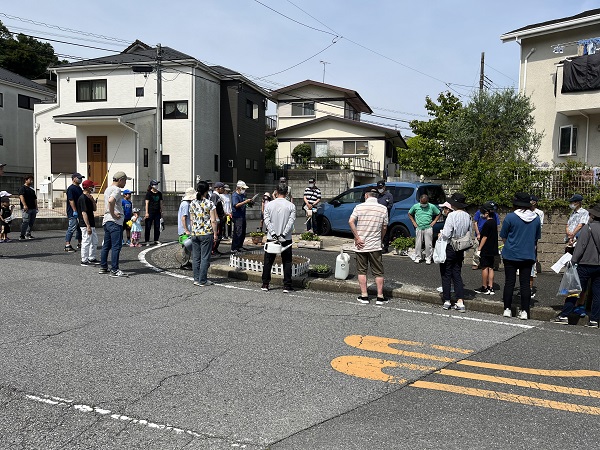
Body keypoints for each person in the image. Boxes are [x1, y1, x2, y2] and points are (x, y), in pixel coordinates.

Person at [554, 203, 600, 327]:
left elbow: (580, 247)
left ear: (592, 215)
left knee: (574, 289)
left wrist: (573, 261)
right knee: (598, 293)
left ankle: (564, 315)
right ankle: (594, 320)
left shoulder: (588, 228)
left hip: (585, 264)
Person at [500, 192, 542, 320]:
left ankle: (507, 309)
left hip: (511, 254)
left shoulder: (510, 217)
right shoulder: (536, 218)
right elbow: (536, 238)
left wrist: (509, 245)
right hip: (528, 255)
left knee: (509, 282)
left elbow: (503, 236)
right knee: (525, 284)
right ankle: (525, 311)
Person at [349, 187, 389, 305]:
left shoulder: (359, 207)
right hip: (375, 244)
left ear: (366, 195)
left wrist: (357, 237)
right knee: (378, 271)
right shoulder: (383, 209)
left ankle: (364, 296)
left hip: (361, 244)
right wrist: (380, 239)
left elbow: (351, 221)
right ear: (376, 196)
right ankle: (380, 297)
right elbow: (385, 227)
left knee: (362, 270)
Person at [438, 192, 471, 312]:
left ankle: (447, 300)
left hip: (450, 246)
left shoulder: (452, 216)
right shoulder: (467, 216)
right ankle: (460, 301)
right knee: (457, 273)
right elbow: (469, 231)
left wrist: (440, 234)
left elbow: (446, 234)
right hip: (461, 247)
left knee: (446, 273)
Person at [261, 183, 296, 293]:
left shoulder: (269, 205)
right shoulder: (291, 206)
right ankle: (287, 285)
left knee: (268, 260)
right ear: (287, 193)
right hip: (286, 238)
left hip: (272, 236)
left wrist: (273, 232)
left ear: (276, 192)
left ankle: (265, 284)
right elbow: (291, 222)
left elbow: (266, 220)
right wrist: (283, 234)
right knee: (287, 261)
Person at [99, 171, 131, 278]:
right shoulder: (117, 190)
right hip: (115, 221)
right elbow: (111, 201)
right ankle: (114, 269)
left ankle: (103, 267)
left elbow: (109, 200)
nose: (125, 183)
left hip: (107, 221)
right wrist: (113, 213)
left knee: (106, 245)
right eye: (125, 180)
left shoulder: (107, 189)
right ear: (121, 180)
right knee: (116, 246)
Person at [189, 181, 218, 286]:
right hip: (206, 233)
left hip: (195, 233)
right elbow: (213, 220)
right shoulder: (210, 203)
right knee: (205, 257)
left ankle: (196, 279)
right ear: (206, 191)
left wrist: (193, 230)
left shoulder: (192, 203)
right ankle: (203, 280)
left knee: (196, 257)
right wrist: (215, 234)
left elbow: (191, 219)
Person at [473, 202, 499, 295]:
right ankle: (491, 287)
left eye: (483, 212)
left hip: (486, 248)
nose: (482, 213)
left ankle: (484, 287)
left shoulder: (487, 224)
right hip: (493, 248)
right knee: (491, 267)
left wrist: (479, 249)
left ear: (487, 213)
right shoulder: (494, 222)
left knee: (484, 267)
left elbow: (484, 237)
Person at [408, 194, 441, 264]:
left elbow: (438, 213)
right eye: (422, 203)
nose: (423, 204)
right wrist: (413, 222)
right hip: (419, 227)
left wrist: (434, 221)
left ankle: (428, 258)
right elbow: (409, 213)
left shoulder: (431, 206)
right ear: (420, 200)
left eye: (425, 203)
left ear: (427, 201)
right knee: (418, 243)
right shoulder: (415, 206)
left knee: (428, 244)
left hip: (428, 227)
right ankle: (417, 257)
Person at [472, 201, 500, 269]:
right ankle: (476, 263)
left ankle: (488, 264)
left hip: (488, 235)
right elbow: (475, 223)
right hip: (480, 233)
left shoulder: (494, 214)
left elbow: (496, 225)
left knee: (486, 251)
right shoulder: (479, 212)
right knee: (477, 248)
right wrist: (478, 233)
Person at [77, 180, 99, 266]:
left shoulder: (89, 197)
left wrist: (93, 201)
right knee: (86, 241)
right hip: (85, 224)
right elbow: (83, 213)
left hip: (91, 223)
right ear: (89, 187)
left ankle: (91, 257)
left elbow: (94, 209)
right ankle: (84, 260)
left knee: (94, 241)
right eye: (92, 186)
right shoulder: (82, 198)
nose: (94, 188)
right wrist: (88, 226)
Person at [231, 180, 257, 253]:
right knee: (237, 231)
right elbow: (236, 205)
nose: (244, 190)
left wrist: (250, 202)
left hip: (242, 215)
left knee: (242, 231)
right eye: (243, 188)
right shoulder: (235, 195)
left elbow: (245, 204)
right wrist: (245, 202)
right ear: (239, 188)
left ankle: (240, 245)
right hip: (237, 216)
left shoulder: (243, 195)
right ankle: (234, 247)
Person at [65, 172, 84, 253]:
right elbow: (71, 200)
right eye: (79, 178)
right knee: (72, 227)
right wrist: (74, 210)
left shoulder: (79, 188)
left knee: (80, 228)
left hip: (79, 211)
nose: (81, 179)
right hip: (73, 211)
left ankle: (80, 243)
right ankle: (67, 245)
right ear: (74, 178)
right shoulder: (71, 188)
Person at [530, 195, 544, 299]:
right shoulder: (525, 212)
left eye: (532, 201)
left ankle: (529, 288)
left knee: (531, 263)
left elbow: (540, 226)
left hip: (533, 238)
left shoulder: (539, 213)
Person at [177, 187, 196, 269]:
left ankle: (186, 262)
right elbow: (183, 218)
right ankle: (184, 263)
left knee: (187, 247)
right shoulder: (186, 204)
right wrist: (186, 230)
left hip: (185, 229)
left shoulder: (185, 203)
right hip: (185, 230)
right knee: (186, 247)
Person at [18, 174, 37, 241]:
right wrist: (24, 205)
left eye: (32, 180)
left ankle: (28, 234)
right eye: (30, 179)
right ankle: (22, 235)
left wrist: (36, 206)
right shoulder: (22, 188)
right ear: (26, 180)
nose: (31, 181)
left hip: (33, 208)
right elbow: (21, 197)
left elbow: (35, 199)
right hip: (26, 208)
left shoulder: (32, 190)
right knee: (25, 221)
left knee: (31, 222)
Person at [144, 180, 163, 246]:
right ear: (152, 185)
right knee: (148, 226)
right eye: (155, 184)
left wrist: (161, 210)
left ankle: (156, 240)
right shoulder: (149, 193)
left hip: (157, 212)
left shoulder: (159, 193)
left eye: (157, 184)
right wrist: (146, 212)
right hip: (150, 212)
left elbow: (160, 202)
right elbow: (147, 203)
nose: (156, 186)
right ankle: (147, 240)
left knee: (157, 226)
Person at [376, 180, 394, 253]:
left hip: (385, 216)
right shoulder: (377, 195)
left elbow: (390, 205)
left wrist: (383, 209)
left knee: (385, 232)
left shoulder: (389, 195)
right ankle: (378, 246)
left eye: (381, 187)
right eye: (379, 187)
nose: (380, 189)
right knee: (377, 232)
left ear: (384, 187)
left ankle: (385, 247)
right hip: (377, 217)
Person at [210, 182, 226, 255]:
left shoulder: (218, 196)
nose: (224, 190)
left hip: (221, 216)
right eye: (223, 188)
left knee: (220, 234)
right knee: (217, 233)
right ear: (218, 188)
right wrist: (216, 218)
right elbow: (213, 208)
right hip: (218, 217)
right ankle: (213, 250)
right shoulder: (214, 196)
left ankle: (215, 249)